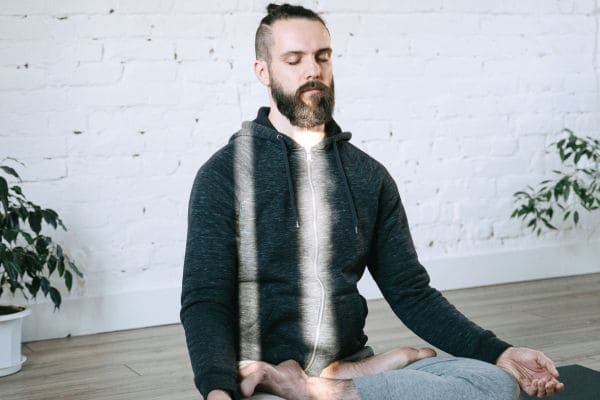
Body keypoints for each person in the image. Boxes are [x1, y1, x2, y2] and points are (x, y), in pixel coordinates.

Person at [180, 4, 565, 400]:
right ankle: (329, 384)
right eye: (294, 60)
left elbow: (410, 291)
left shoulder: (368, 176)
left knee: (493, 382)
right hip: (264, 379)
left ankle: (326, 387)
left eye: (322, 57)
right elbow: (204, 301)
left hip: (349, 369)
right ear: (263, 71)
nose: (312, 70)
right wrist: (218, 391)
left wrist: (499, 352)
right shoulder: (224, 176)